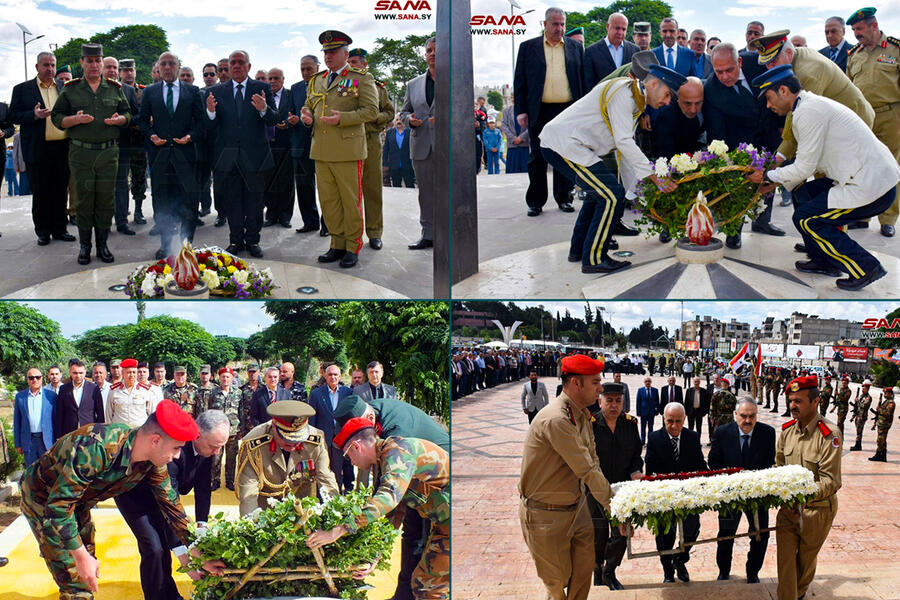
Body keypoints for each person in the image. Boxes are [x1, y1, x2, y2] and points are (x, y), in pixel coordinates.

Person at [749, 65, 899, 290]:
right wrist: (774, 181)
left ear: (783, 90)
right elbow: (809, 164)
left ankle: (866, 267)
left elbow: (803, 167)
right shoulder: (807, 106)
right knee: (804, 194)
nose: (768, 105)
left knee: (807, 219)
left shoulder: (809, 112)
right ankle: (824, 260)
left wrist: (767, 177)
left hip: (872, 188)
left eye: (769, 98)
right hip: (862, 177)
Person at [540, 61, 684, 274]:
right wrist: (654, 177)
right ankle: (595, 259)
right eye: (667, 95)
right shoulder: (624, 93)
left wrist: (638, 192)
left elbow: (623, 152)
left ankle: (579, 250)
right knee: (610, 195)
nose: (668, 102)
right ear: (653, 84)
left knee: (599, 193)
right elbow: (625, 142)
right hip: (564, 144)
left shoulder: (634, 100)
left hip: (574, 147)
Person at [307, 416, 450, 600]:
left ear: (357, 447)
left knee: (430, 588)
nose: (351, 463)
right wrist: (375, 557)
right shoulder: (385, 460)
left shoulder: (398, 452)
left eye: (348, 456)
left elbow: (388, 498)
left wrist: (339, 530)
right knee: (423, 584)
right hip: (443, 525)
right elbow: (395, 514)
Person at [518, 354, 617, 600]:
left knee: (583, 575)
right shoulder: (556, 419)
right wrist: (615, 508)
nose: (600, 388)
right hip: (545, 514)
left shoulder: (582, 414)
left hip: (577, 508)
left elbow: (594, 461)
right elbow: (586, 468)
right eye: (594, 382)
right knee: (557, 585)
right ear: (575, 383)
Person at [114, 409, 228, 600]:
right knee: (154, 548)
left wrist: (201, 526)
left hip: (165, 498)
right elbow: (169, 503)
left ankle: (168, 595)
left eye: (220, 447)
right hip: (136, 495)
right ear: (198, 435)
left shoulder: (208, 448)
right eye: (213, 446)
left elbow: (202, 488)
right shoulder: (173, 451)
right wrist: (187, 560)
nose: (217, 452)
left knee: (163, 547)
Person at [300, 31, 378, 268]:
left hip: (347, 151)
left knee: (350, 201)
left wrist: (342, 118)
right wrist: (306, 115)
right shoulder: (317, 80)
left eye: (333, 52)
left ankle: (353, 246)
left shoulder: (361, 78)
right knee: (329, 201)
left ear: (346, 53)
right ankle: (337, 244)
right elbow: (309, 104)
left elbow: (371, 111)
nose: (328, 56)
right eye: (325, 52)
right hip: (321, 150)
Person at [50, 43, 131, 266]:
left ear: (102, 62)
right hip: (81, 153)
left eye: (98, 60)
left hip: (108, 153)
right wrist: (74, 119)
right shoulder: (71, 88)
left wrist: (120, 120)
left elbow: (127, 114)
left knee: (106, 199)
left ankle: (103, 245)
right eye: (90, 61)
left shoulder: (115, 88)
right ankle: (85, 247)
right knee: (84, 201)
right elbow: (56, 117)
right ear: (82, 63)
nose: (94, 65)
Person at [205, 49, 279, 258]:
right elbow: (211, 125)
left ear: (249, 66)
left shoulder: (261, 87)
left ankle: (253, 241)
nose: (236, 66)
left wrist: (264, 109)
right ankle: (235, 240)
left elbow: (273, 119)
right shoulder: (218, 91)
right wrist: (210, 111)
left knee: (255, 202)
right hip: (228, 158)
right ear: (228, 66)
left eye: (241, 62)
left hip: (255, 157)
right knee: (233, 201)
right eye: (233, 62)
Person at [776, 375, 842, 600]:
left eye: (799, 401)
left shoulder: (828, 434)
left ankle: (799, 593)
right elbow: (779, 467)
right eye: (791, 400)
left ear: (815, 402)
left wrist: (802, 496)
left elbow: (831, 480)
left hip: (817, 510)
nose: (792, 405)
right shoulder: (786, 431)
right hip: (788, 510)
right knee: (785, 563)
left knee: (804, 564)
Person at [514, 7, 583, 218]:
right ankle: (535, 201)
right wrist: (521, 111)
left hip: (567, 110)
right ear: (544, 24)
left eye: (562, 24)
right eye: (555, 24)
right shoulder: (528, 48)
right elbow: (520, 82)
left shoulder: (575, 48)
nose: (559, 28)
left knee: (564, 155)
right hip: (539, 110)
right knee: (537, 157)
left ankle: (564, 198)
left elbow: (582, 80)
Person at [137, 51, 205, 259]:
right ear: (158, 67)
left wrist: (190, 137)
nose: (167, 67)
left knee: (189, 202)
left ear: (178, 66)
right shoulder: (150, 92)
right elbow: (141, 121)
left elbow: (201, 122)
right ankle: (165, 246)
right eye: (163, 64)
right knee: (162, 203)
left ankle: (187, 246)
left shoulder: (193, 92)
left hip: (185, 156)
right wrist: (151, 135)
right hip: (160, 157)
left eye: (171, 64)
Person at [9, 50, 74, 247]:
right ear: (37, 67)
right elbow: (13, 116)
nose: (50, 69)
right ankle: (43, 231)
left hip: (62, 148)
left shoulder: (64, 87)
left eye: (53, 65)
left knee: (60, 190)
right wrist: (34, 115)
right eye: (46, 65)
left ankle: (60, 229)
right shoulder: (22, 89)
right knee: (41, 192)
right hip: (37, 148)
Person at [846, 8, 900, 238]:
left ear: (874, 26)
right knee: (862, 167)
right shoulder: (854, 54)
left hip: (890, 115)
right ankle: (863, 214)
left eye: (860, 29)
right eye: (854, 30)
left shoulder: (896, 49)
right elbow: (848, 88)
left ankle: (888, 218)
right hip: (863, 118)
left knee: (892, 167)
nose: (856, 34)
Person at [708, 398, 776, 582]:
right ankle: (723, 571)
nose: (747, 421)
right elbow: (713, 461)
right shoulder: (722, 432)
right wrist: (730, 480)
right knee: (726, 534)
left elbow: (770, 460)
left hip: (757, 495)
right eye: (743, 416)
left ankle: (753, 571)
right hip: (731, 495)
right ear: (735, 415)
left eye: (752, 416)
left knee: (761, 533)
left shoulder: (767, 433)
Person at [237, 400, 338, 515]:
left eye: (298, 440)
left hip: (302, 509)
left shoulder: (316, 439)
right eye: (287, 439)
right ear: (274, 426)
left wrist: (336, 513)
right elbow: (248, 493)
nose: (293, 445)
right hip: (267, 512)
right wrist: (252, 525)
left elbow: (326, 479)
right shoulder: (253, 444)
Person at [645, 402, 707, 583]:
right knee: (665, 536)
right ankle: (667, 572)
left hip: (688, 495)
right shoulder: (655, 438)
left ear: (685, 420)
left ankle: (680, 560)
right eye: (670, 421)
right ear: (663, 419)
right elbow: (651, 471)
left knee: (692, 529)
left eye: (678, 421)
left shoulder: (693, 437)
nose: (674, 426)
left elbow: (700, 466)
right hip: (664, 496)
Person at [588, 381, 642, 590]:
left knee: (622, 533)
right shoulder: (591, 424)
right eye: (609, 400)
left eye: (618, 401)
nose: (614, 405)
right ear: (599, 400)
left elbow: (636, 455)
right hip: (595, 489)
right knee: (598, 534)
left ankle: (609, 571)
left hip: (622, 490)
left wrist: (636, 470)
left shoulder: (630, 424)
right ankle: (597, 570)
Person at [348, 48, 394, 250]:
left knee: (373, 188)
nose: (352, 65)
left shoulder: (378, 87)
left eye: (356, 62)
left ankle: (375, 233)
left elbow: (389, 112)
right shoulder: (345, 87)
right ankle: (352, 234)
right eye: (349, 61)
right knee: (350, 191)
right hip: (349, 141)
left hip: (372, 140)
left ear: (365, 64)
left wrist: (377, 118)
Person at [398, 37, 437, 249]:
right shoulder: (413, 84)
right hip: (421, 145)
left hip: (448, 146)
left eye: (436, 51)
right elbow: (403, 111)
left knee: (450, 191)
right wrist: (409, 121)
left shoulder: (455, 80)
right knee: (426, 193)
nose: (432, 54)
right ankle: (428, 234)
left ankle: (450, 232)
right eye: (429, 50)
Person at [307, 362, 354, 491]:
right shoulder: (316, 394)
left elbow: (351, 417)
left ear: (340, 376)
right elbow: (312, 418)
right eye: (330, 374)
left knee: (338, 471)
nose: (333, 377)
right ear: (325, 376)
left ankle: (336, 497)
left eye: (335, 374)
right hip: (323, 439)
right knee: (322, 470)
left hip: (341, 438)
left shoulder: (348, 393)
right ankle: (321, 497)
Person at [260, 67, 295, 230]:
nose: (272, 81)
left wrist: (287, 123)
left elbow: (296, 113)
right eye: (270, 78)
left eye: (276, 78)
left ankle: (285, 216)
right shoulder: (262, 96)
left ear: (283, 79)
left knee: (286, 181)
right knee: (269, 181)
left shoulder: (290, 94)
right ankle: (271, 214)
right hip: (267, 144)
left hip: (286, 143)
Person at [584, 13, 640, 90]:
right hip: (602, 99)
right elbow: (588, 84)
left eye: (623, 29)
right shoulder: (591, 51)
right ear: (607, 26)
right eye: (617, 28)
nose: (620, 32)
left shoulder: (635, 50)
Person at [14, 368, 56, 467]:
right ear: (27, 379)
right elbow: (17, 422)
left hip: (46, 440)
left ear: (42, 378)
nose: (35, 380)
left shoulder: (52, 396)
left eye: (37, 377)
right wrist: (18, 444)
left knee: (47, 470)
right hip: (29, 441)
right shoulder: (20, 397)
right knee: (31, 471)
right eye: (31, 377)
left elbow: (56, 420)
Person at [210, 367, 243, 491]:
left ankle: (230, 481)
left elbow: (241, 412)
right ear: (220, 378)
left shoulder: (238, 393)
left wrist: (242, 429)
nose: (225, 379)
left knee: (231, 458)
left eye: (228, 376)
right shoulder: (213, 393)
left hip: (233, 431)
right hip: (217, 432)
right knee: (216, 458)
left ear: (232, 378)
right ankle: (215, 480)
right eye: (223, 376)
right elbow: (210, 412)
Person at [54, 359, 104, 438]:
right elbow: (59, 414)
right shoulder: (63, 389)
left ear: (85, 372)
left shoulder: (94, 388)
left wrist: (99, 433)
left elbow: (100, 413)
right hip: (69, 433)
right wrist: (59, 436)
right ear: (70, 372)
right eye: (75, 373)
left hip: (89, 433)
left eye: (81, 373)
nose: (78, 376)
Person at [107, 358, 159, 427]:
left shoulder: (145, 390)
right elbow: (108, 415)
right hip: (119, 432)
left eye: (134, 372)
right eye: (129, 372)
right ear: (123, 373)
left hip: (139, 432)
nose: (132, 375)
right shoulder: (114, 390)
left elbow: (152, 414)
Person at [500, 95, 529, 173]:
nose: (513, 99)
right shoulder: (506, 111)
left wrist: (521, 138)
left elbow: (532, 125)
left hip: (525, 145)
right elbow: (504, 125)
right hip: (513, 146)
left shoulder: (528, 110)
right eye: (512, 97)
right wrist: (513, 138)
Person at [869, 386, 896, 461]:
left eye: (886, 393)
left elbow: (888, 413)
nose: (885, 395)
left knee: (880, 440)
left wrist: (879, 409)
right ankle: (883, 456)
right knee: (882, 440)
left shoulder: (891, 403)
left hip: (885, 424)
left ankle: (878, 454)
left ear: (890, 394)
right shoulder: (886, 401)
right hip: (881, 423)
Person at [848, 379, 873, 450]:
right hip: (858, 415)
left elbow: (864, 405)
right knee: (857, 430)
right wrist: (853, 416)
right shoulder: (861, 396)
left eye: (864, 389)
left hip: (862, 416)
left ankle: (858, 445)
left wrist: (857, 401)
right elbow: (857, 406)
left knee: (859, 431)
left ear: (867, 389)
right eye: (862, 388)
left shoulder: (868, 397)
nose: (863, 390)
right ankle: (857, 444)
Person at [636, 376, 660, 444]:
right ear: (644, 382)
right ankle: (642, 440)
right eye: (646, 381)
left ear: (651, 382)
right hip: (643, 412)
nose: (647, 383)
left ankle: (650, 440)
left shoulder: (655, 390)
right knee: (643, 427)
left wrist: (657, 411)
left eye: (649, 381)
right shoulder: (640, 390)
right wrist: (638, 412)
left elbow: (657, 401)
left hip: (651, 412)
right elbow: (638, 402)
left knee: (650, 427)